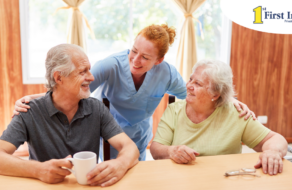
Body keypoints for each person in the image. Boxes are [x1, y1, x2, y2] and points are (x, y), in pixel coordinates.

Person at [13, 24, 255, 161]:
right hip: (107, 130)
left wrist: (231, 101)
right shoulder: (111, 65)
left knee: (134, 171)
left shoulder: (167, 73)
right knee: (105, 169)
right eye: (133, 51)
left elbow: (195, 92)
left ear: (159, 60)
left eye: (145, 57)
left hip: (139, 134)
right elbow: (73, 86)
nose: (135, 60)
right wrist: (32, 99)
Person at [0, 44, 139, 186]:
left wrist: (120, 164)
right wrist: (38, 170)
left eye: (89, 70)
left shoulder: (96, 108)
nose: (91, 77)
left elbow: (130, 147)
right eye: (82, 71)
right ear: (58, 78)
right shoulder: (29, 111)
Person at [150, 59, 288, 175]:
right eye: (190, 79)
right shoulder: (174, 111)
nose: (189, 86)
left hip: (224, 181)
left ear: (215, 95)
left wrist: (272, 152)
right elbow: (156, 149)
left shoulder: (236, 113)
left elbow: (275, 139)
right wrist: (171, 151)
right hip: (180, 180)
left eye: (197, 83)